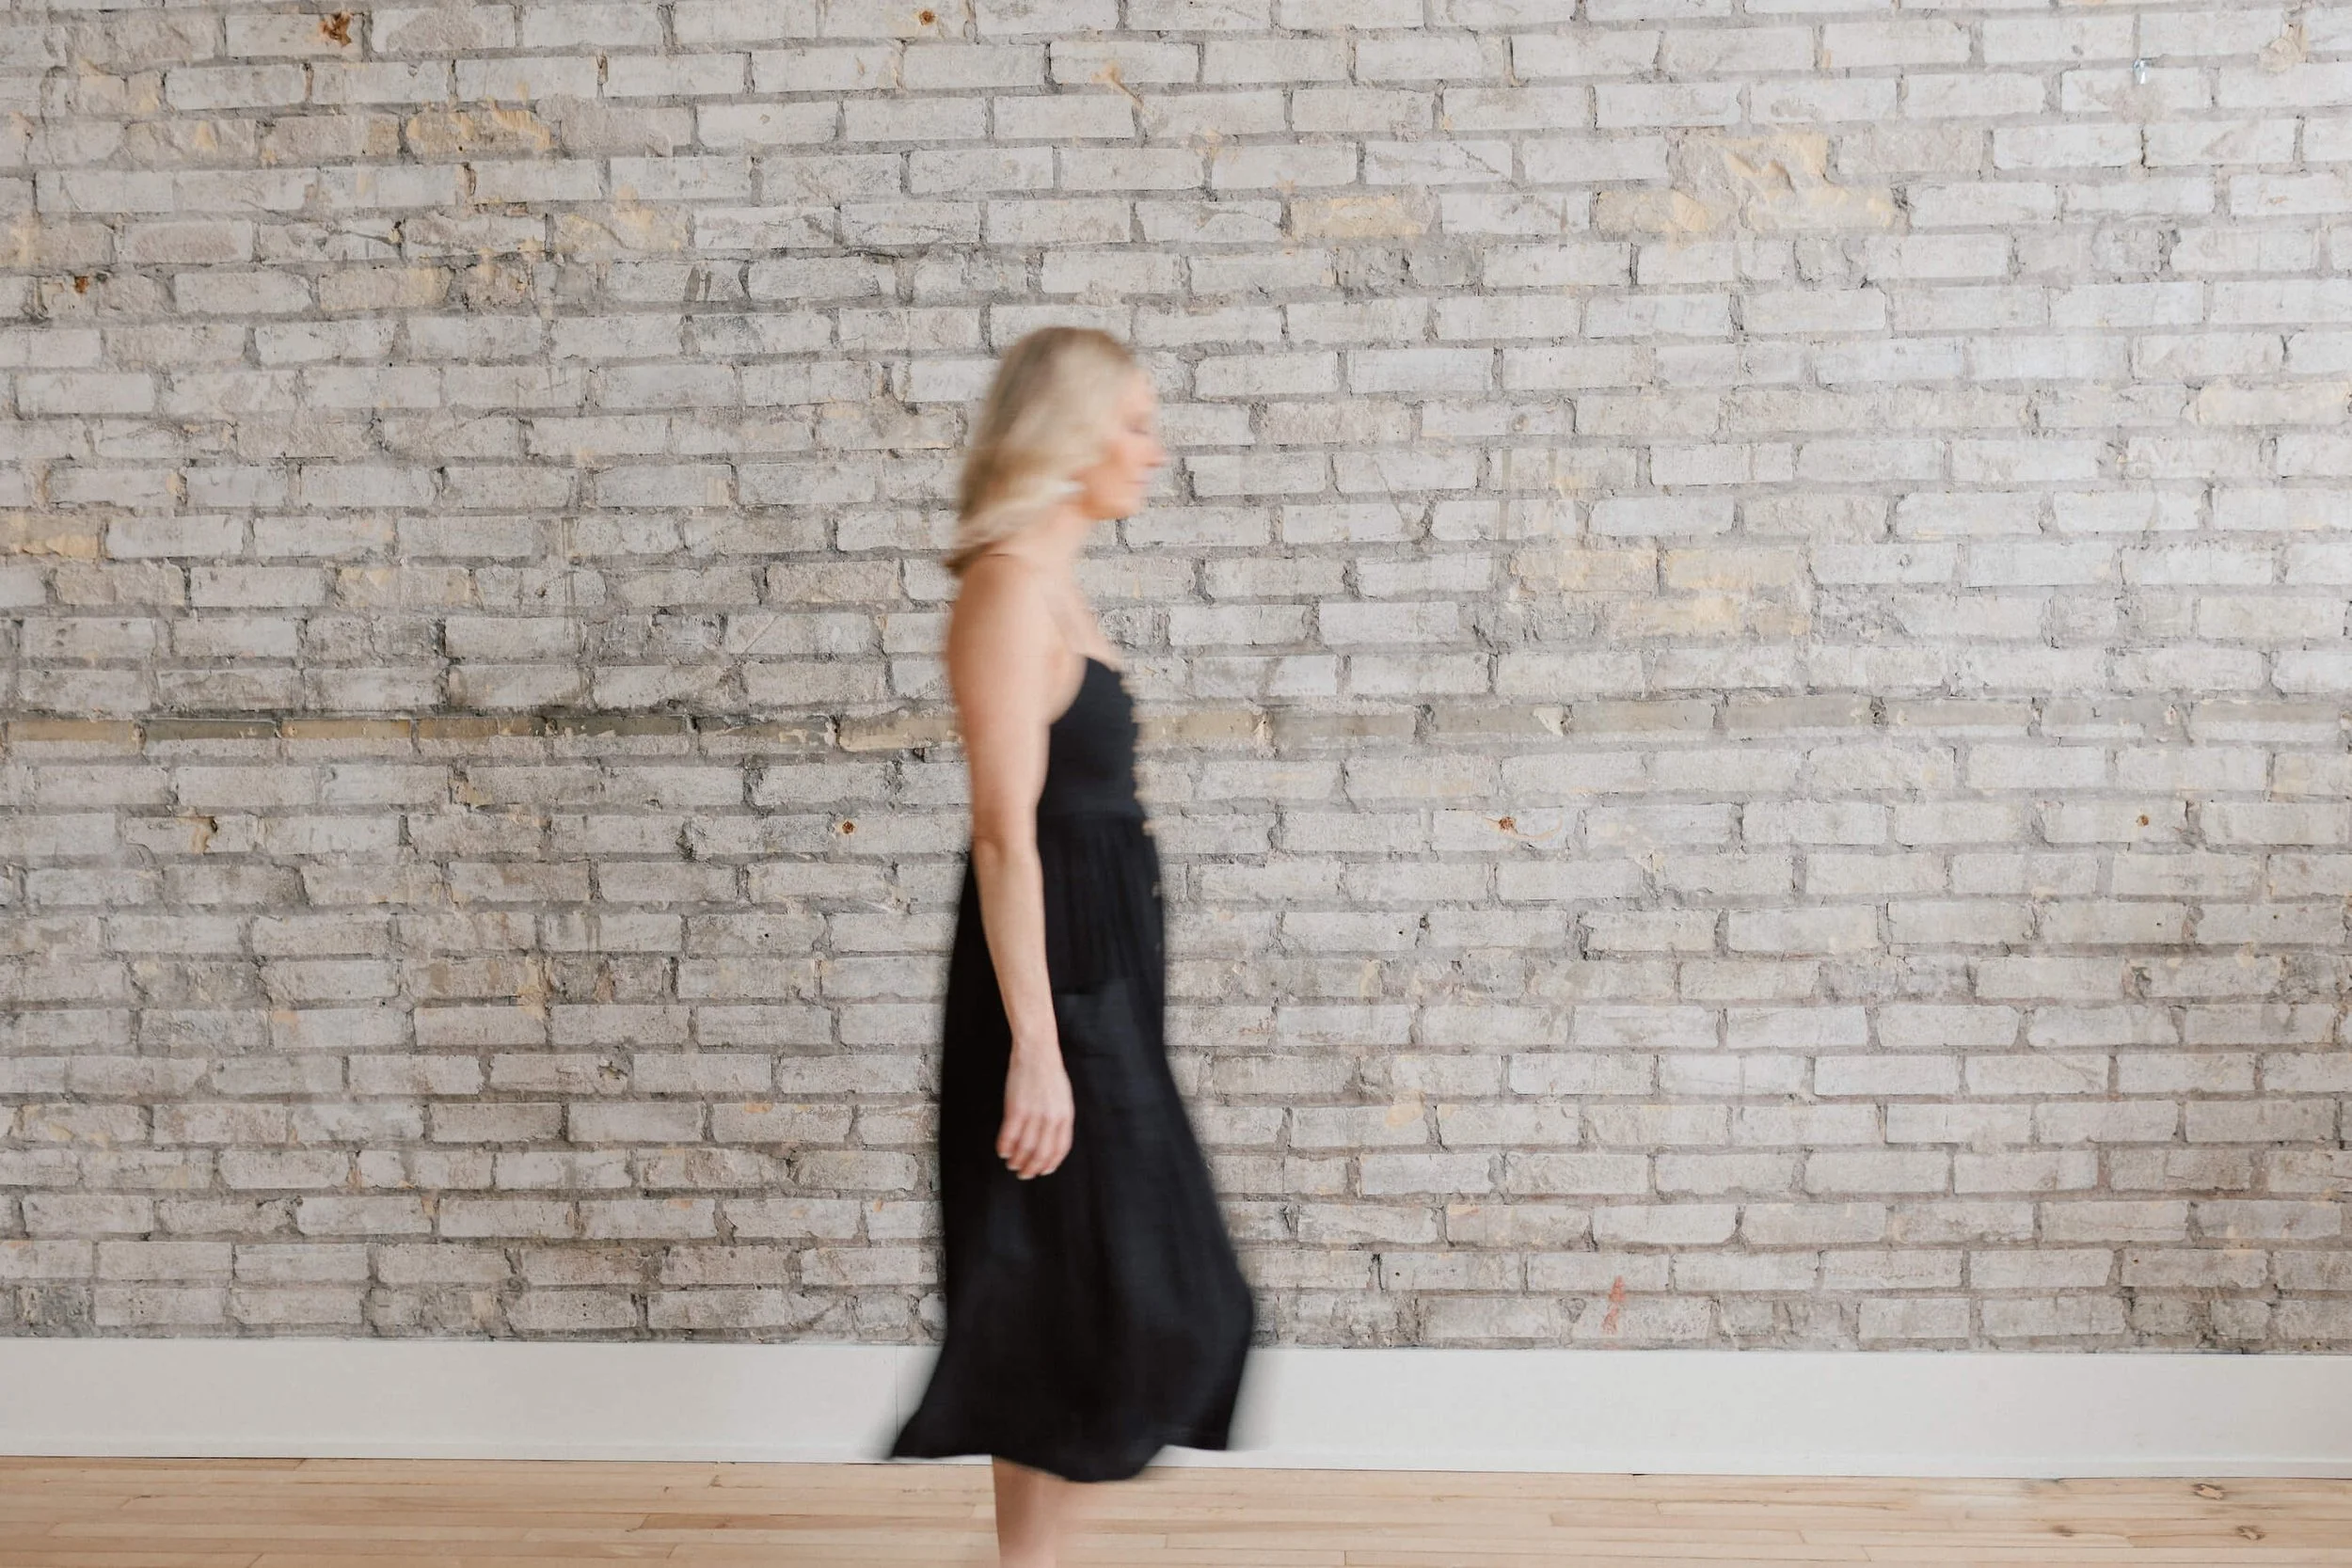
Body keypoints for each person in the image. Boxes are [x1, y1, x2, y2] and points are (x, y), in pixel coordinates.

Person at [886, 326, 1256, 1567]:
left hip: (1100, 975)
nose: (1155, 450)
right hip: (1053, 991)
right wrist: (1038, 1048)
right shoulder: (1002, 585)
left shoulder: (1056, 580)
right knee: (1161, 1301)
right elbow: (1003, 835)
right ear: (1072, 433)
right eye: (1135, 423)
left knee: (1063, 1298)